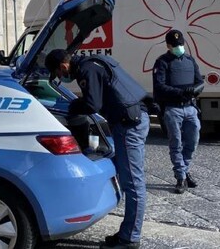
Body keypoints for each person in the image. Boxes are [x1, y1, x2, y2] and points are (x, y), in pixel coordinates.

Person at [45, 49, 149, 249]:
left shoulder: (86, 69)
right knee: (129, 178)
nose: (61, 77)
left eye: (59, 73)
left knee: (133, 183)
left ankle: (130, 239)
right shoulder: (94, 62)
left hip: (128, 124)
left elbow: (92, 103)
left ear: (63, 66)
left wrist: (73, 106)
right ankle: (128, 232)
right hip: (133, 118)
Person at [152, 29, 204, 194]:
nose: (178, 47)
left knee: (193, 142)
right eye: (175, 45)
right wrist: (180, 92)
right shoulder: (162, 62)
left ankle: (184, 169)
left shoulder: (190, 60)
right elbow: (159, 87)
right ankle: (181, 177)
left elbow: (200, 81)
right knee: (176, 144)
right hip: (173, 109)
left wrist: (194, 90)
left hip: (190, 108)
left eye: (180, 44)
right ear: (168, 45)